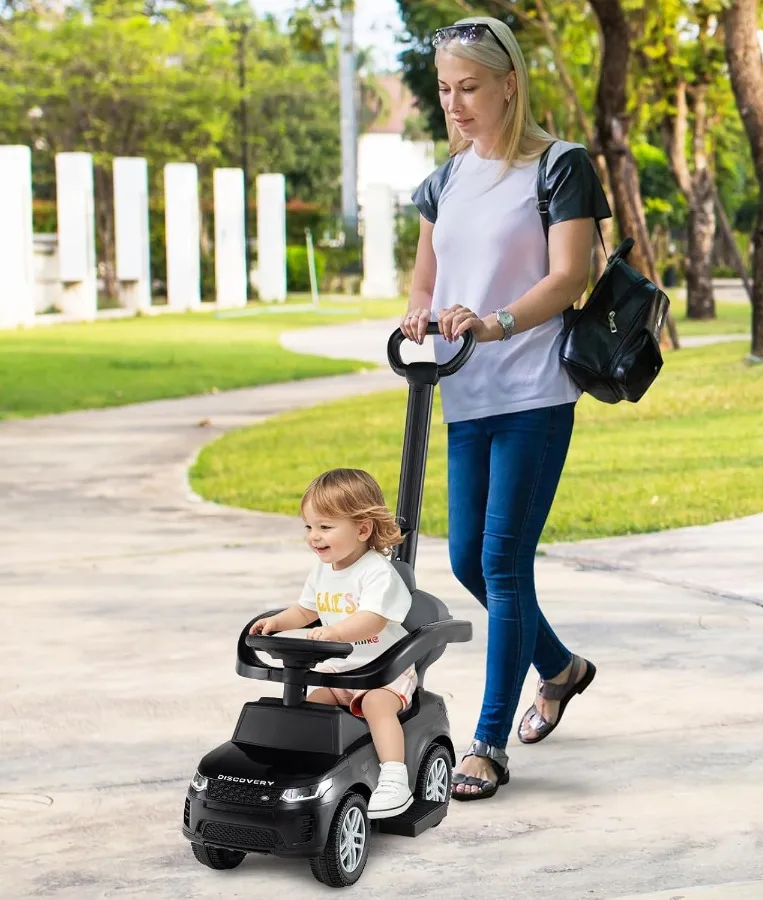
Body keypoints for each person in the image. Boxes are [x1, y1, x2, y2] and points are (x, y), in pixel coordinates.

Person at [400, 16, 612, 802]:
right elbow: (425, 281)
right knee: (464, 561)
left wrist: (498, 323)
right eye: (445, 89)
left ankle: (487, 742)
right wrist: (418, 318)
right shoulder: (443, 180)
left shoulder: (560, 167)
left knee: (500, 562)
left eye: (470, 89)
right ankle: (560, 668)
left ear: (509, 84)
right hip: (465, 390)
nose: (455, 105)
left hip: (533, 387)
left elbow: (569, 279)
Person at [250, 468, 418, 820]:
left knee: (375, 706)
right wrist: (278, 623)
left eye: (325, 527)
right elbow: (304, 610)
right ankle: (305, 771)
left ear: (362, 528)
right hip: (340, 672)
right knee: (311, 707)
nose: (314, 537)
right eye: (309, 527)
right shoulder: (323, 571)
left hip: (382, 672)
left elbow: (372, 618)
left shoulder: (377, 572)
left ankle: (394, 778)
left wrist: (336, 632)